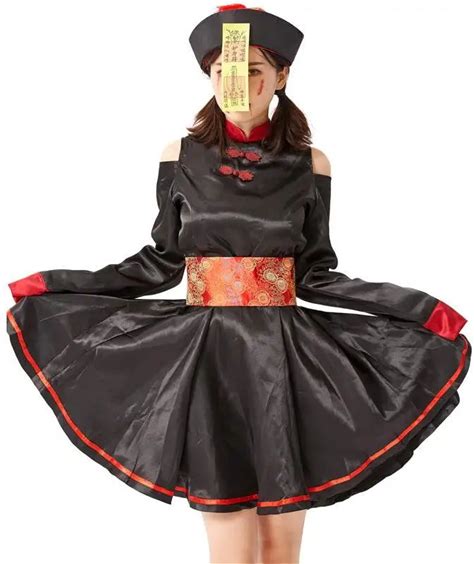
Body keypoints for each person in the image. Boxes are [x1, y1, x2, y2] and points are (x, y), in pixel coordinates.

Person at [6, 4, 471, 564]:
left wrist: (416, 308)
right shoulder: (180, 157)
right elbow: (158, 263)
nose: (237, 85)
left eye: (252, 70)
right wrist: (58, 284)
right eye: (221, 71)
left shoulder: (311, 164)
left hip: (287, 365)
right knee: (230, 551)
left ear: (281, 75)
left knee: (280, 549)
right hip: (209, 364)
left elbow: (315, 273)